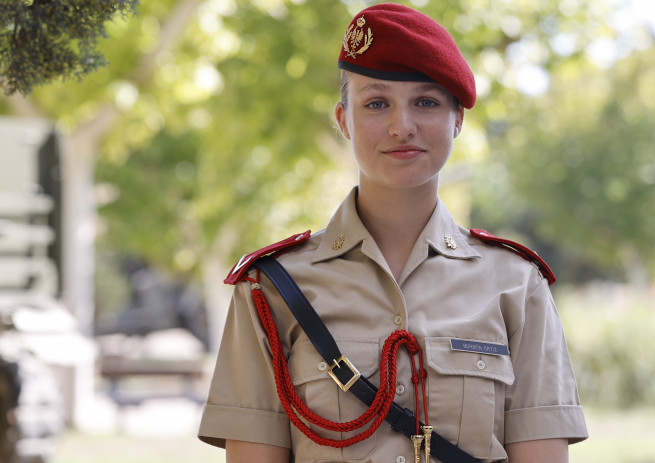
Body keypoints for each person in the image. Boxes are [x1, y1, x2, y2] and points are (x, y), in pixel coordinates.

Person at [198, 3, 588, 462]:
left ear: (457, 119)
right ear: (344, 120)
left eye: (426, 102)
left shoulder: (517, 284)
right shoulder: (272, 288)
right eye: (376, 103)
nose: (402, 127)